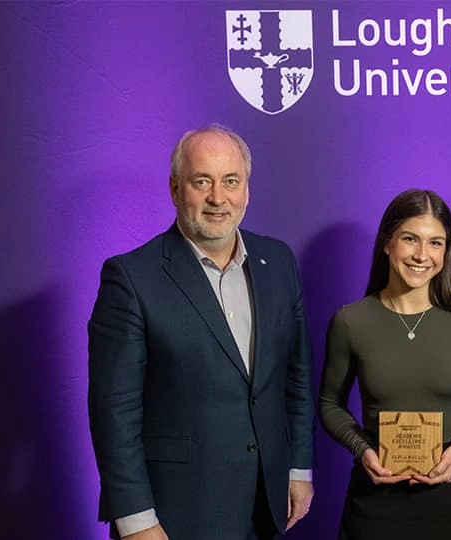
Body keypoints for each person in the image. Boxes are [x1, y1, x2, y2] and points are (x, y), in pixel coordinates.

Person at [88, 125, 315, 540]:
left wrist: (298, 467)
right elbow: (114, 415)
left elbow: (296, 378)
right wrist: (136, 520)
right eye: (201, 182)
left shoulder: (278, 261)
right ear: (176, 189)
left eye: (231, 181)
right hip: (174, 519)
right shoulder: (131, 278)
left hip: (265, 508)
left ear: (247, 189)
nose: (218, 198)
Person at [319, 189, 451, 540]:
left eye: (435, 243)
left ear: (447, 250)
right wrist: (362, 449)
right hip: (375, 502)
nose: (422, 255)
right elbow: (328, 404)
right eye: (410, 239)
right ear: (387, 243)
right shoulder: (351, 321)